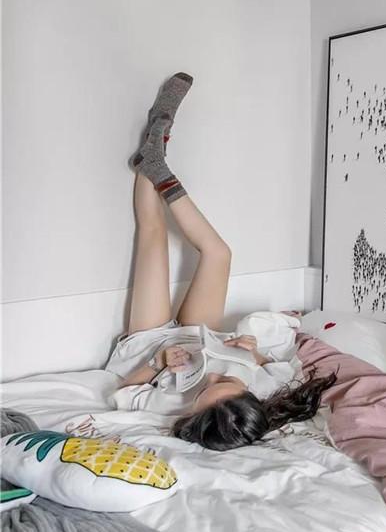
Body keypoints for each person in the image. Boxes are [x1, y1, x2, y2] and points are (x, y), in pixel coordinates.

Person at [106, 73, 333, 451]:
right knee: (219, 255)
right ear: (250, 397)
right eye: (224, 381)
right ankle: (155, 165)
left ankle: (155, 156)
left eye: (204, 391)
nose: (210, 377)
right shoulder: (263, 389)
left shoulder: (173, 406)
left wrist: (159, 362)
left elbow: (123, 393)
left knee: (153, 235)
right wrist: (252, 351)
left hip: (150, 343)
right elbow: (278, 366)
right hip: (202, 333)